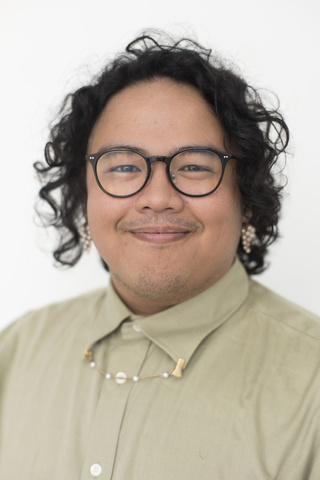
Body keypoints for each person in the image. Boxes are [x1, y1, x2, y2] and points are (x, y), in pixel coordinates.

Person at [0, 33, 319, 479]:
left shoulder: (312, 384)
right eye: (125, 165)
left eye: (193, 165)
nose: (157, 198)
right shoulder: (14, 352)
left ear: (245, 195)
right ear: (85, 193)